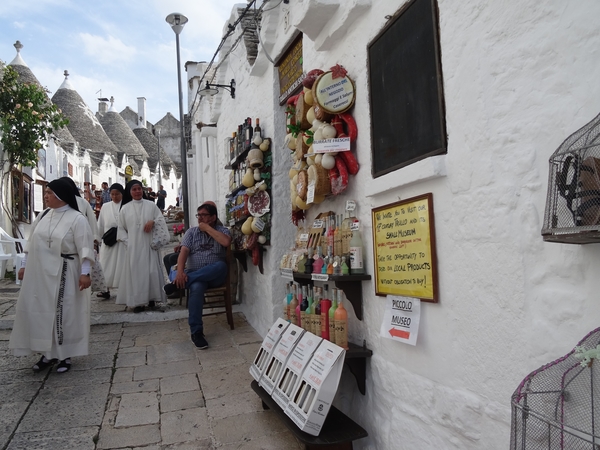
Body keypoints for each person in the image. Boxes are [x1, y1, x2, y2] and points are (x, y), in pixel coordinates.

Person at [9, 178, 94, 373]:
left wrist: (85, 273)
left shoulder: (77, 218)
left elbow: (85, 248)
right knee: (42, 312)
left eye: (49, 193)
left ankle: (65, 355)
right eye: (46, 192)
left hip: (66, 270)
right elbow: (31, 243)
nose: (45, 196)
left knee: (64, 313)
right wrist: (23, 266)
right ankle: (47, 354)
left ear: (61, 196)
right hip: (41, 273)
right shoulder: (45, 215)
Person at [163, 202, 231, 349]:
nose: (199, 218)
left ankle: (176, 285)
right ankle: (197, 333)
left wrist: (207, 228)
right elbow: (183, 253)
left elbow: (226, 242)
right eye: (198, 215)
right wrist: (180, 273)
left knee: (221, 265)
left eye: (204, 215)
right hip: (195, 275)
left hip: (215, 276)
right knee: (197, 287)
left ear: (213, 217)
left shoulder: (222, 230)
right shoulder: (191, 232)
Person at [116, 179, 167, 312]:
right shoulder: (125, 209)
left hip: (149, 245)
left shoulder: (151, 205)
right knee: (136, 274)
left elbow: (160, 219)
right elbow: (120, 229)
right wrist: (129, 242)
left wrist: (153, 222)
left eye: (139, 189)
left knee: (151, 271)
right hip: (134, 248)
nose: (137, 191)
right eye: (134, 189)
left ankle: (151, 298)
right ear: (130, 192)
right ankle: (138, 302)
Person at [97, 183, 126, 295]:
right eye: (112, 194)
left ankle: (123, 289)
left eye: (117, 194)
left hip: (121, 239)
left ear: (122, 194)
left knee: (121, 265)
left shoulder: (126, 205)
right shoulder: (106, 206)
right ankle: (105, 289)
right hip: (109, 238)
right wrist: (98, 237)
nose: (114, 197)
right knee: (106, 263)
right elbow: (101, 223)